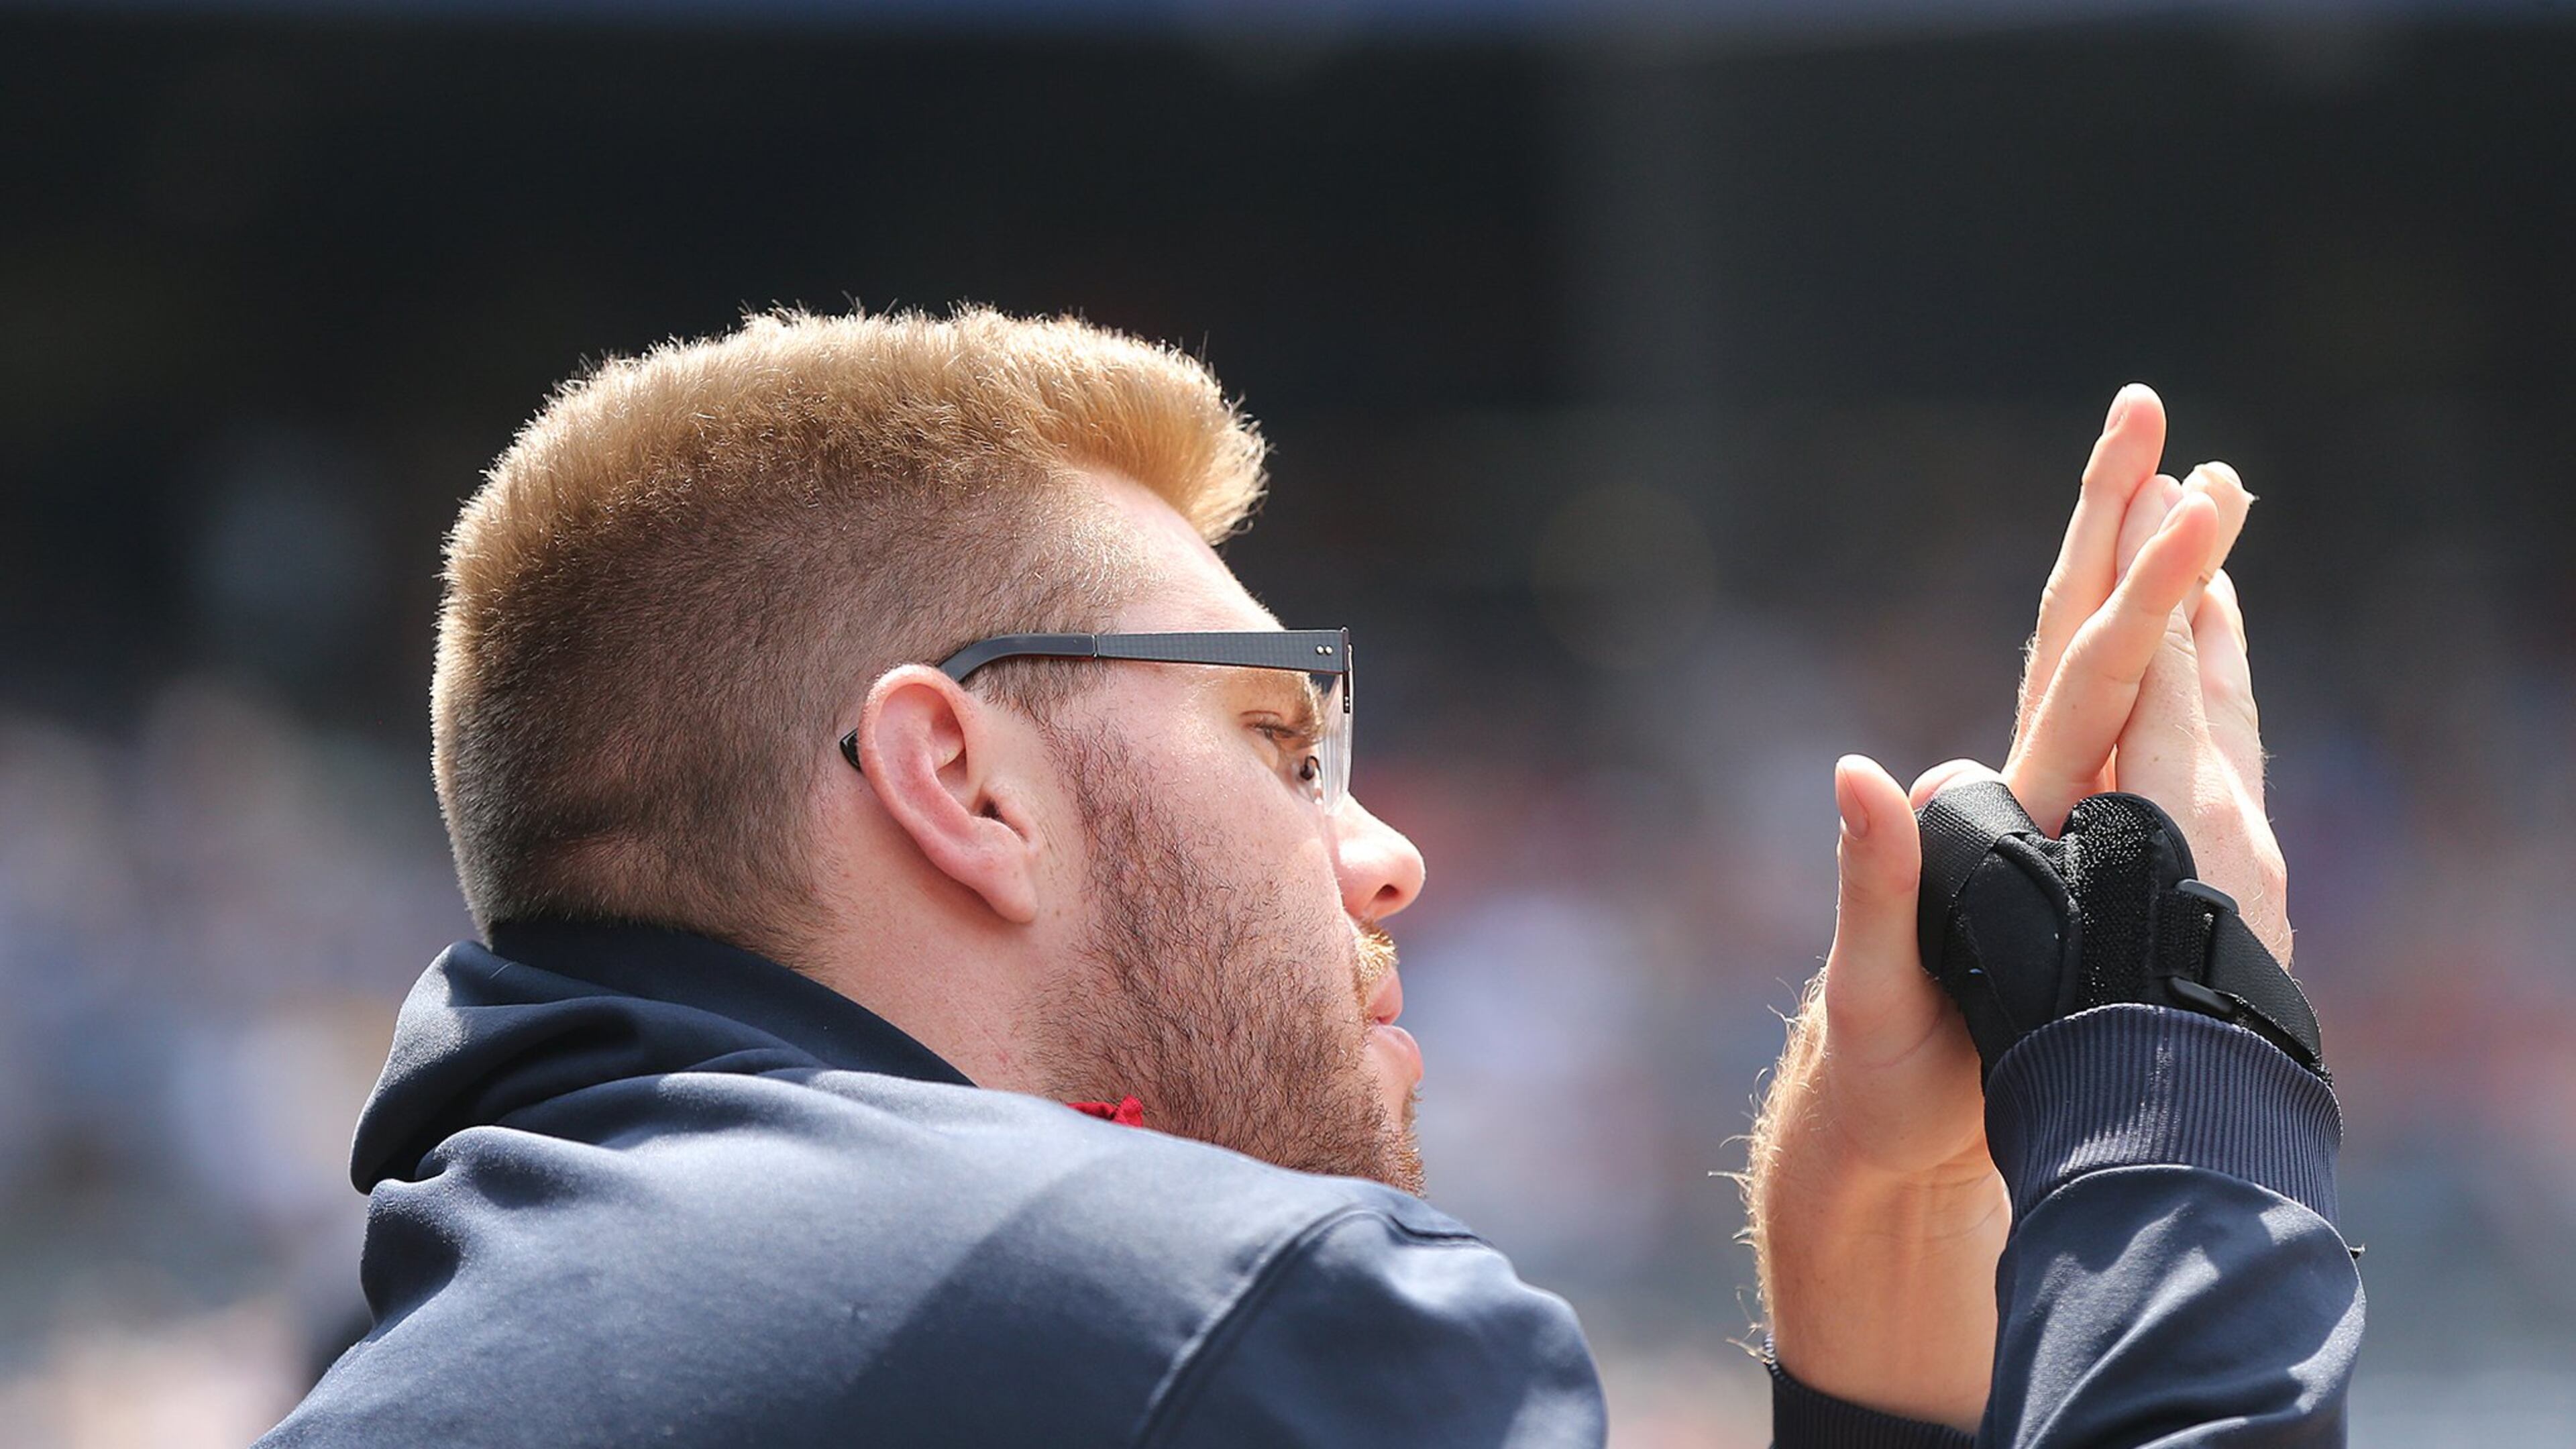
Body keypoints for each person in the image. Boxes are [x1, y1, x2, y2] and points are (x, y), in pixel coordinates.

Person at [257, 311, 2359, 1448]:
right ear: (958, 781)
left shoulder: (425, 1354)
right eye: (1282, 744)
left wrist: (1872, 1254)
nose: (1386, 851)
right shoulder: (1191, 1318)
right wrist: (2176, 1099)